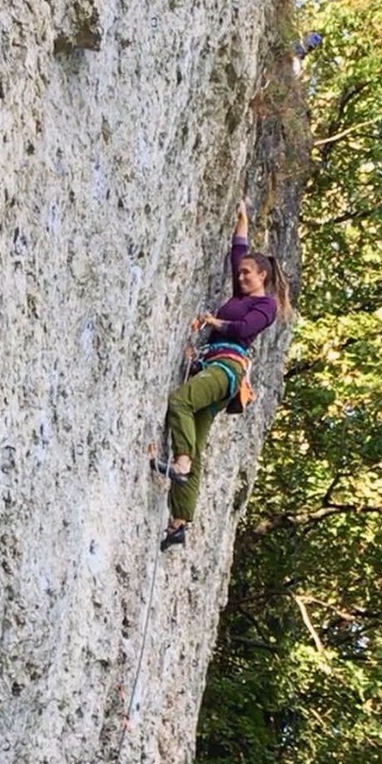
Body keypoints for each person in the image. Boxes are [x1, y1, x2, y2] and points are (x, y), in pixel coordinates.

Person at [152, 200, 291, 551]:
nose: (242, 276)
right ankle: (180, 521)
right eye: (241, 273)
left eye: (248, 273)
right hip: (215, 367)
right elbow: (238, 251)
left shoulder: (266, 305)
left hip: (227, 370)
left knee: (179, 401)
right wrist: (243, 219)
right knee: (197, 444)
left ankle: (179, 461)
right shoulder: (238, 294)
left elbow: (244, 327)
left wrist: (214, 322)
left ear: (264, 276)